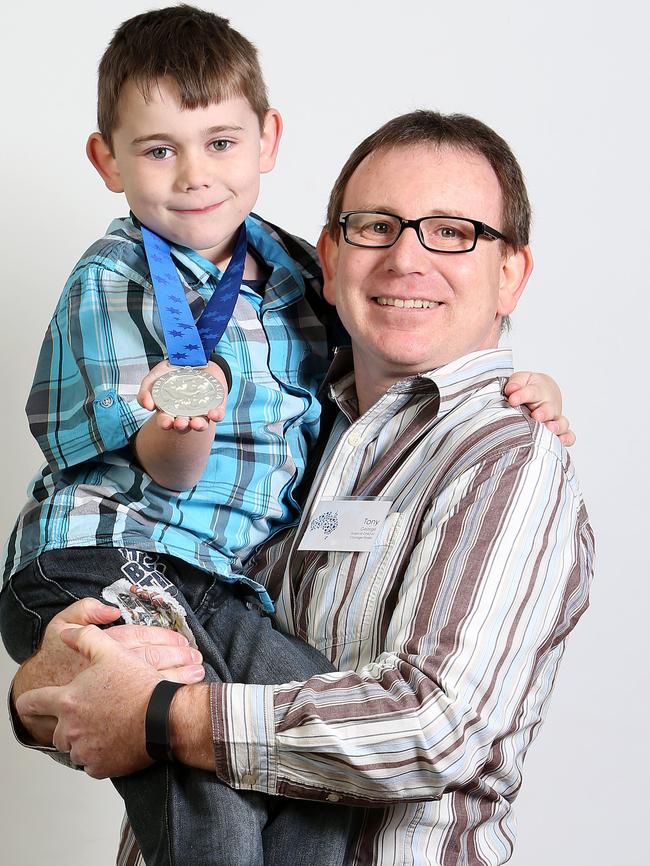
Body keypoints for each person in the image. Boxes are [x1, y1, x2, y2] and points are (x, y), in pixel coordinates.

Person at [14, 109, 593, 866]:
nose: (405, 258)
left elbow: (435, 728)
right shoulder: (290, 437)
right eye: (374, 227)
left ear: (510, 272)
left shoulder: (508, 457)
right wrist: (45, 698)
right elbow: (137, 691)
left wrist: (164, 717)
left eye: (452, 231)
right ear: (328, 256)